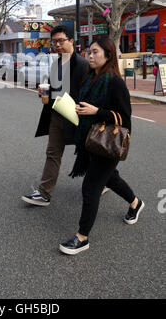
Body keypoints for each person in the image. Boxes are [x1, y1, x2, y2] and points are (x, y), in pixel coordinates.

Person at [59, 38, 144, 255]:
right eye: (89, 51)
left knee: (90, 187)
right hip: (90, 140)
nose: (90, 55)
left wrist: (97, 112)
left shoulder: (115, 82)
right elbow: (83, 104)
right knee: (110, 178)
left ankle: (82, 237)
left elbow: (125, 118)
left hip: (108, 143)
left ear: (108, 55)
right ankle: (135, 203)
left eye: (95, 52)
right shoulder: (90, 77)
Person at [21, 25, 89, 206]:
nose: (57, 45)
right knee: (52, 153)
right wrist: (45, 92)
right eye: (54, 42)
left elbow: (86, 92)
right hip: (57, 115)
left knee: (91, 152)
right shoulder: (57, 62)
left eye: (61, 41)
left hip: (77, 117)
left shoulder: (82, 65)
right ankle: (44, 193)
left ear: (71, 41)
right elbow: (55, 88)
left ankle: (107, 180)